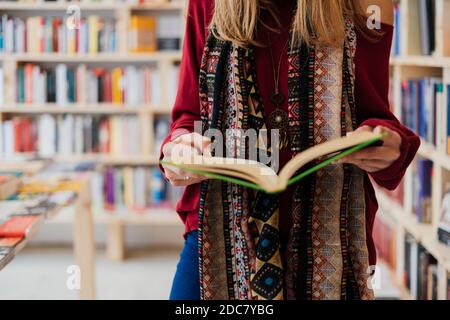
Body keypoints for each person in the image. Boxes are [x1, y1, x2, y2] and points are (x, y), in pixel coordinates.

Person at [161, 0, 420, 300]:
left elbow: (373, 113)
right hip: (220, 232)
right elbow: (187, 117)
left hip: (332, 235)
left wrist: (387, 145)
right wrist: (179, 150)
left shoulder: (368, 5)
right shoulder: (206, 4)